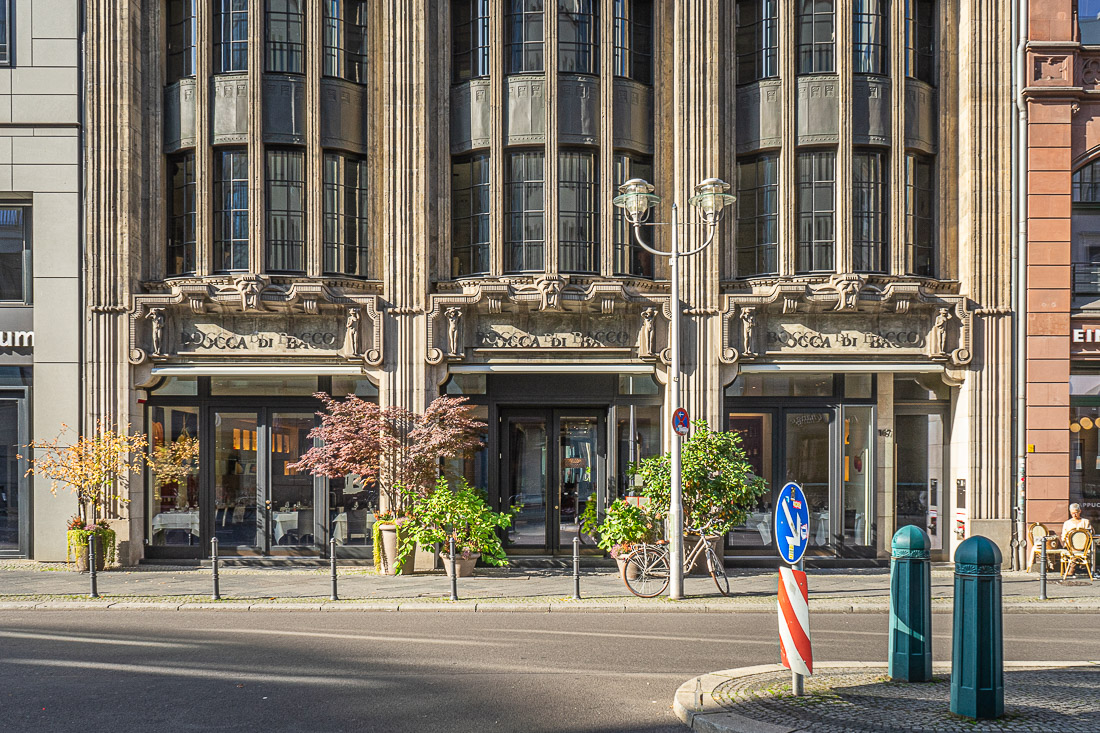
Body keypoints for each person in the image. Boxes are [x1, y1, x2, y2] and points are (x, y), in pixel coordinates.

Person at [1060, 503, 1093, 577]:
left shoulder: (1085, 522)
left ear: (1080, 511)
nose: (1074, 515)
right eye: (1072, 513)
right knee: (1073, 547)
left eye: (1076, 513)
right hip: (1071, 546)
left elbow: (1090, 534)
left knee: (1078, 547)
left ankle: (1072, 568)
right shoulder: (1067, 523)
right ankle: (1080, 566)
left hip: (1084, 546)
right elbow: (1063, 537)